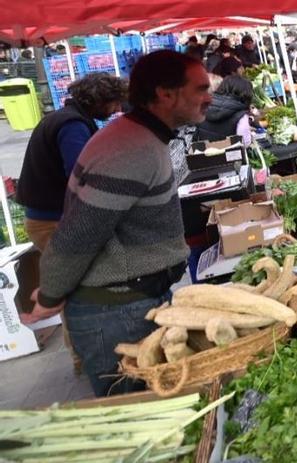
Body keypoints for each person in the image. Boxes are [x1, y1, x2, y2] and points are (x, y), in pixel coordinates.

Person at [21, 50, 209, 397]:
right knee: (141, 416)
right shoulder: (129, 150)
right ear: (165, 94)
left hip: (130, 301)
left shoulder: (140, 137)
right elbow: (79, 233)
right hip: (116, 314)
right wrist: (49, 295)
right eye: (200, 89)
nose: (209, 97)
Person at [18, 73, 128, 251]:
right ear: (99, 100)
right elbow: (81, 175)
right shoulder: (72, 125)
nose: (117, 109)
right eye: (114, 103)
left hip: (50, 217)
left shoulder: (67, 118)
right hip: (52, 220)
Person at [196, 74, 254, 145]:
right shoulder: (240, 114)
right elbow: (245, 142)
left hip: (203, 152)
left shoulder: (205, 105)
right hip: (230, 155)